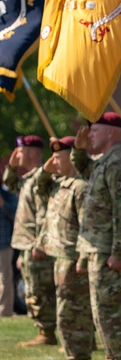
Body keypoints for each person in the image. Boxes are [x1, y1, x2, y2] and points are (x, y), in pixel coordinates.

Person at [72, 114, 121, 360]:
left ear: (112, 132)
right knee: (102, 311)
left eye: (95, 129)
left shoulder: (118, 164)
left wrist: (118, 253)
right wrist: (78, 151)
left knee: (111, 311)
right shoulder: (105, 162)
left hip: (109, 251)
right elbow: (86, 171)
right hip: (98, 248)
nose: (90, 135)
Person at [37, 137, 93, 360]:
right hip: (59, 257)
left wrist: (82, 259)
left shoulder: (80, 187)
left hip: (72, 258)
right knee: (65, 312)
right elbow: (38, 188)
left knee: (73, 314)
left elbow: (87, 227)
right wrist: (45, 170)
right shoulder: (59, 184)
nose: (55, 162)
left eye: (59, 158)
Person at [6, 135, 57, 346]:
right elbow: (10, 184)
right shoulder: (28, 179)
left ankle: (48, 332)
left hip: (36, 243)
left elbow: (44, 214)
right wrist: (11, 165)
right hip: (25, 243)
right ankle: (44, 330)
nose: (18, 154)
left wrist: (39, 243)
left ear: (34, 152)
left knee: (40, 290)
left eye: (22, 150)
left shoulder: (41, 179)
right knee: (33, 289)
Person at [0, 179, 15, 318]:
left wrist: (2, 204)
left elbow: (16, 217)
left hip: (4, 244)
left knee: (4, 279)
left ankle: (5, 312)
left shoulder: (7, 195)